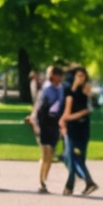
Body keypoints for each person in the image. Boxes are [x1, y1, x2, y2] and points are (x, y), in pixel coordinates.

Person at [28, 64, 66, 194]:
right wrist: (36, 124)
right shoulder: (45, 90)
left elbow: (62, 108)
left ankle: (44, 180)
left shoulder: (61, 90)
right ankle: (41, 182)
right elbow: (39, 108)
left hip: (55, 124)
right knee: (46, 153)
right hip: (43, 123)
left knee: (49, 157)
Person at [61, 67, 98, 196]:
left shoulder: (86, 91)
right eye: (78, 75)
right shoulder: (69, 92)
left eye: (83, 76)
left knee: (78, 158)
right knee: (70, 157)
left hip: (83, 128)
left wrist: (90, 96)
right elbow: (67, 112)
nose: (81, 78)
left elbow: (92, 107)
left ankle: (73, 186)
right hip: (72, 127)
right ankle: (85, 182)